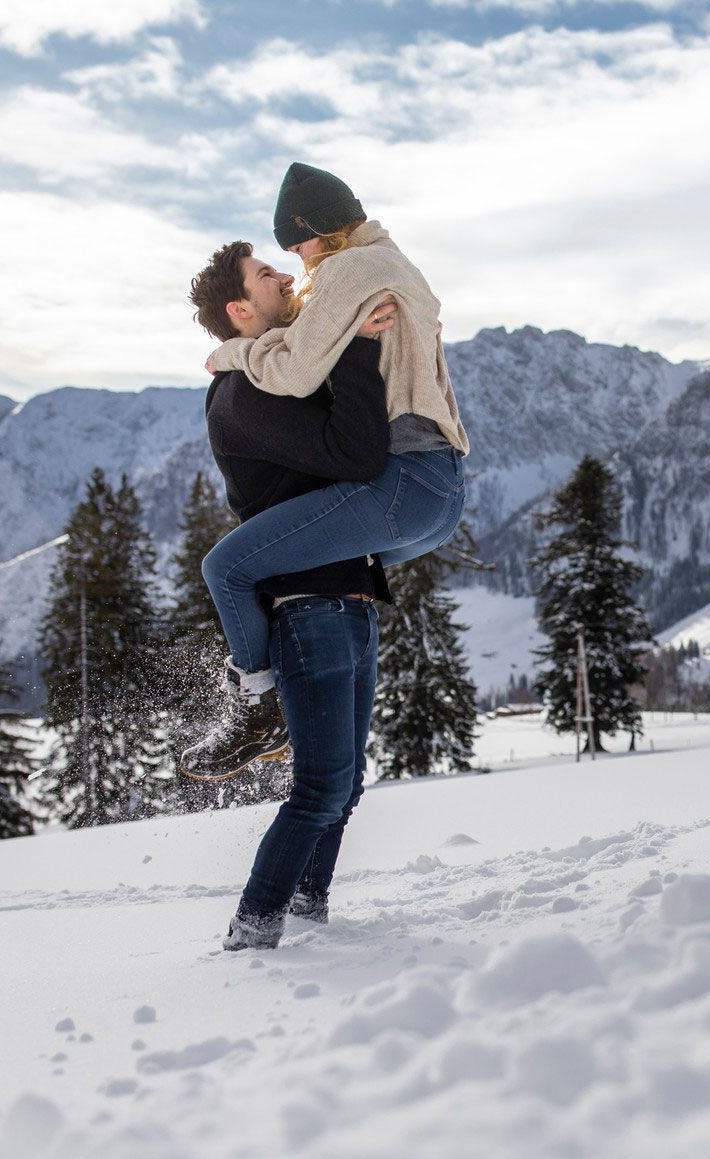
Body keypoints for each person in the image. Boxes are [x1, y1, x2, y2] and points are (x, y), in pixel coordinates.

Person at [183, 162, 471, 781]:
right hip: (439, 493)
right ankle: (270, 700)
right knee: (281, 563)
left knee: (226, 566)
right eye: (276, 262)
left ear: (316, 230)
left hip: (406, 485)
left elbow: (295, 371)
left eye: (294, 244)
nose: (296, 263)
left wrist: (231, 354)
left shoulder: (347, 271)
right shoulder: (389, 260)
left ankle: (260, 703)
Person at [185, 242, 397, 949]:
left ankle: (309, 916)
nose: (284, 274)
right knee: (319, 788)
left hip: (348, 603)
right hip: (310, 611)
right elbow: (354, 454)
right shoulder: (244, 394)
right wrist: (362, 352)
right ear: (240, 310)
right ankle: (253, 931)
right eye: (266, 274)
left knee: (347, 785)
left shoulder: (280, 372)